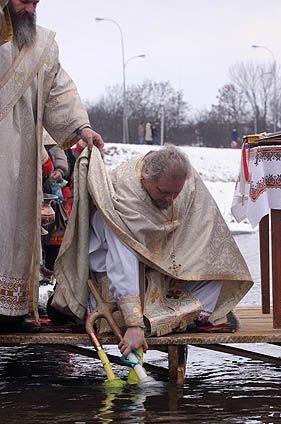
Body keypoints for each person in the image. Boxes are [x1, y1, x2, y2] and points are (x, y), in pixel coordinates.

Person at [52, 145, 253, 358]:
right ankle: (157, 320)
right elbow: (122, 264)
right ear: (146, 179)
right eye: (164, 192)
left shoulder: (184, 187)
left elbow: (205, 234)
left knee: (216, 272)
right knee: (127, 282)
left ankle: (182, 316)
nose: (170, 199)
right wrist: (133, 324)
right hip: (112, 277)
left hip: (156, 272)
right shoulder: (120, 200)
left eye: (176, 193)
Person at [0, 0, 104, 331]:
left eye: (35, 3)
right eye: (23, 1)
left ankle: (10, 312)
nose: (30, 9)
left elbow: (61, 93)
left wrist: (82, 129)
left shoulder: (42, 45)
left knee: (15, 229)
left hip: (19, 160)